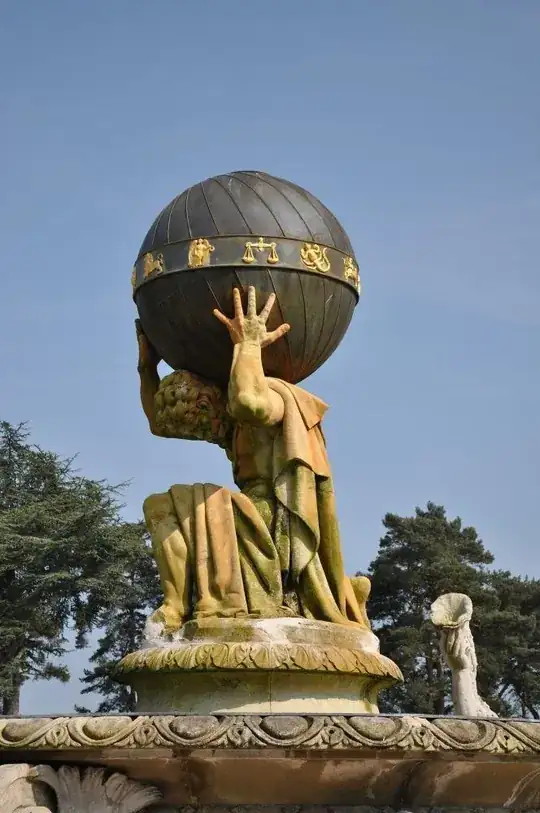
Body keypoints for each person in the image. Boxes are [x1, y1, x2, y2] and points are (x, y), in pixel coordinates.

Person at [137, 286, 369, 633]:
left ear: (208, 402)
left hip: (276, 519)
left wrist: (248, 343)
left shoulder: (276, 398)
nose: (210, 431)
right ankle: (174, 606)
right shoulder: (228, 422)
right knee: (158, 505)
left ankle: (325, 593)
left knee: (178, 504)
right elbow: (159, 424)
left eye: (205, 421)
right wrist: (146, 367)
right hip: (251, 513)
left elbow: (248, 400)